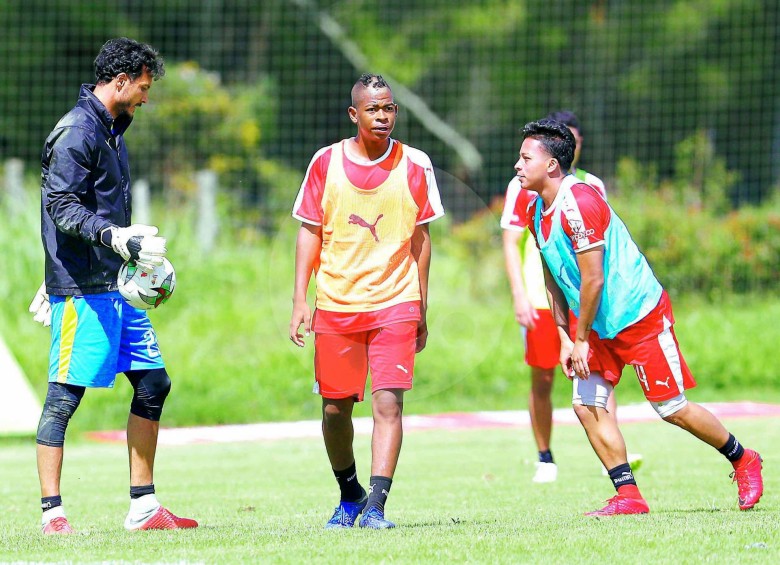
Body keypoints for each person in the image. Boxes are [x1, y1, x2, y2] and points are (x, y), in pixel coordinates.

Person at [514, 118, 763, 515]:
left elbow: (593, 279)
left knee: (671, 408)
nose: (517, 164)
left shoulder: (580, 202)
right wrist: (564, 335)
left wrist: (578, 340)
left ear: (552, 165)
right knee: (586, 404)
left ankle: (743, 458)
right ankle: (628, 495)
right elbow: (552, 274)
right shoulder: (534, 207)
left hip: (638, 315)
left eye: (526, 157)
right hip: (594, 324)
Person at [28, 37, 197, 534]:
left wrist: (128, 248)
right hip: (83, 286)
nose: (147, 96)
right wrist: (107, 240)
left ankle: (143, 508)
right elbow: (60, 207)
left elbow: (94, 205)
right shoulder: (75, 132)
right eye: (144, 87)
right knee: (65, 397)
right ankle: (52, 515)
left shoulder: (114, 127)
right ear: (121, 81)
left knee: (154, 382)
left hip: (117, 283)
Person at [289, 73, 444, 529]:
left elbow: (422, 237)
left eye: (389, 108)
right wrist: (301, 299)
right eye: (373, 109)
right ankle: (350, 493)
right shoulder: (325, 162)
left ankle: (376, 505)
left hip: (396, 301)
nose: (383, 116)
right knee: (335, 409)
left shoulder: (416, 164)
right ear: (354, 114)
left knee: (388, 404)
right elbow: (309, 232)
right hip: (336, 303)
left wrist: (420, 303)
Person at [501, 110, 639, 483]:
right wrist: (519, 295)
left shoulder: (590, 185)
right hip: (543, 299)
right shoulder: (525, 189)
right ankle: (545, 457)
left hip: (587, 302)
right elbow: (513, 243)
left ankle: (612, 456)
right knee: (543, 379)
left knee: (600, 373)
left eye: (575, 141)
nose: (571, 147)